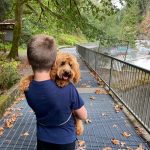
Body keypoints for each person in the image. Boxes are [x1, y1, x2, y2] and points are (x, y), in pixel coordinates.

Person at [24, 34, 87, 150]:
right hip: (65, 140)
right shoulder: (70, 90)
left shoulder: (27, 87)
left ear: (28, 61)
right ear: (54, 62)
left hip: (43, 138)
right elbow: (83, 115)